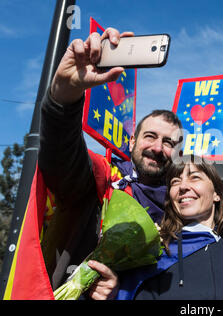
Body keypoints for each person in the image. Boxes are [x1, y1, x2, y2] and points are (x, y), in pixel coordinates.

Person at [38, 28, 182, 291]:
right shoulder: (102, 180)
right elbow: (61, 156)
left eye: (169, 142)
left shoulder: (182, 206)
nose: (158, 148)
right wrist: (64, 96)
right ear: (132, 142)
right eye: (150, 136)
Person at [114, 155, 223, 300]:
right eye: (175, 181)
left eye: (194, 177)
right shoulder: (156, 254)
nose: (183, 187)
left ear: (217, 194)